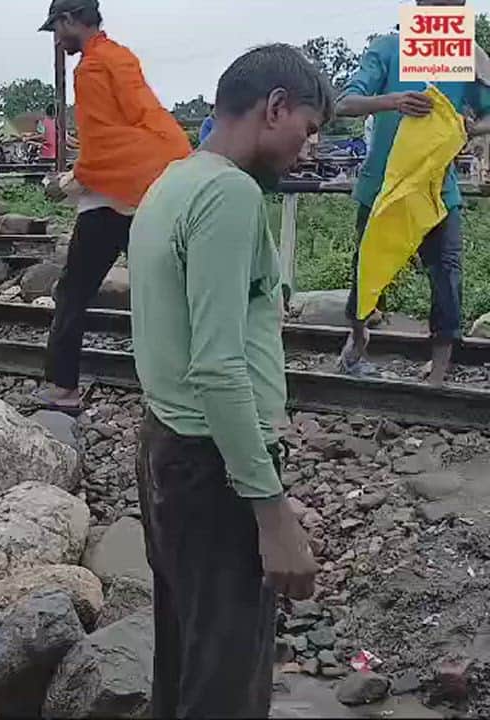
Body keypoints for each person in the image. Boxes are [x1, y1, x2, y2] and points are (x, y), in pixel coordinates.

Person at [128, 44, 330, 718]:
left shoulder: (173, 182)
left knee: (186, 658)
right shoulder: (229, 193)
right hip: (211, 466)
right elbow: (217, 367)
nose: (305, 149)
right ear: (274, 107)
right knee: (225, 687)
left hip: (168, 449)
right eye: (304, 129)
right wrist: (269, 510)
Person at [34, 0, 192, 413]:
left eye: (56, 29)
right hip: (151, 191)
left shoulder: (90, 69)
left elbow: (102, 147)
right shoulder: (121, 56)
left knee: (72, 292)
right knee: (164, 295)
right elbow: (138, 125)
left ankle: (63, 388)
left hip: (107, 200)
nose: (57, 39)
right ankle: (182, 387)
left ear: (69, 21)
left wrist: (65, 183)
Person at [335, 0, 490, 386]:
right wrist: (392, 101)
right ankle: (356, 343)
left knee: (446, 276)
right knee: (366, 270)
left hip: (437, 188)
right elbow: (344, 103)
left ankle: (437, 376)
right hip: (381, 186)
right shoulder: (388, 48)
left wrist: (468, 129)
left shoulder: (467, 55)